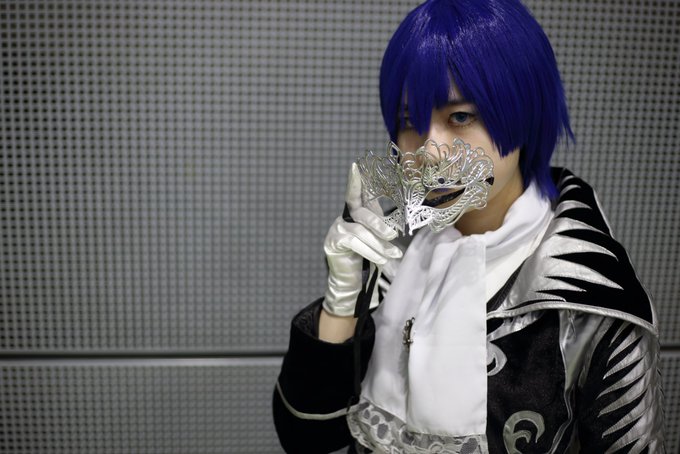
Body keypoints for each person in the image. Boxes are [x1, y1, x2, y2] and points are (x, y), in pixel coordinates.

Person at [272, 0, 665, 452]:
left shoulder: (592, 301)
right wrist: (343, 299)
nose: (428, 152)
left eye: (460, 116)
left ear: (523, 113)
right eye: (409, 122)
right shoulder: (393, 250)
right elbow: (306, 437)